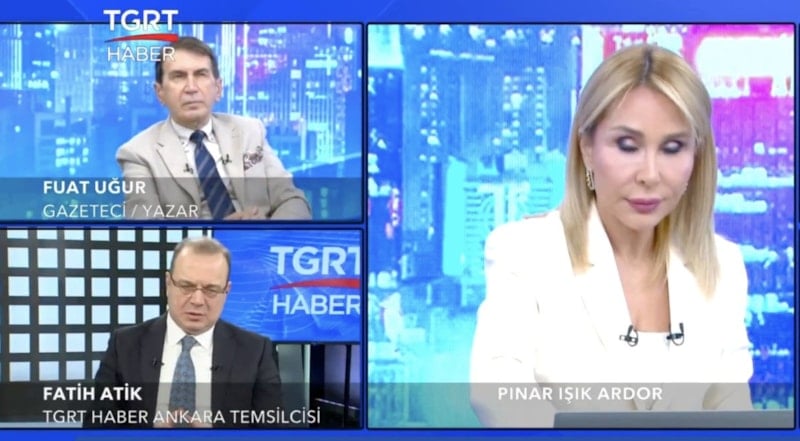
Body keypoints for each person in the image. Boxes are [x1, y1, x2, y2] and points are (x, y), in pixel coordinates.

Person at [470, 44, 754, 428]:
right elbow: (497, 394)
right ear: (587, 148)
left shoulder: (723, 265)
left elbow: (732, 409)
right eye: (627, 146)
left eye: (672, 148)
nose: (649, 174)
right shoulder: (525, 251)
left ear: (696, 157)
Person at [88, 237, 283, 428]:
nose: (197, 300)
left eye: (211, 290)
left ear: (226, 291)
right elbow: (95, 429)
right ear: (168, 283)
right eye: (186, 286)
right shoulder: (124, 345)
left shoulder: (255, 352)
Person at [117, 36, 312, 220]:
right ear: (160, 92)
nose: (191, 87)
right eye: (179, 76)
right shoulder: (138, 154)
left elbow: (292, 200)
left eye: (201, 75)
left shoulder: (250, 131)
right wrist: (219, 234)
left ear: (218, 88)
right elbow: (146, 228)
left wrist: (263, 235)